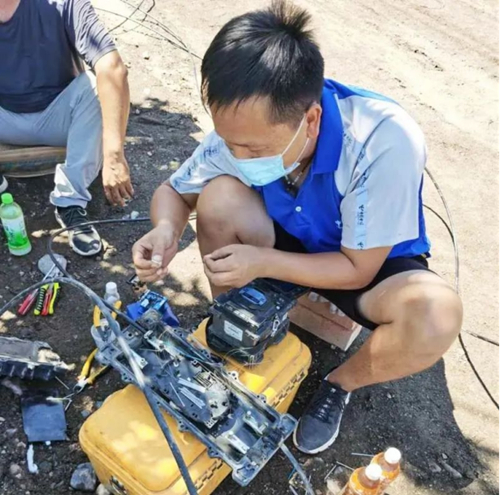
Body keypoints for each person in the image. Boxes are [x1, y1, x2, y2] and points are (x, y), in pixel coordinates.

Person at [132, 0, 462, 454]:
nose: (237, 155)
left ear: (310, 119)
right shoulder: (245, 128)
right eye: (229, 142)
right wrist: (167, 230)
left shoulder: (383, 140)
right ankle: (236, 332)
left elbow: (358, 269)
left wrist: (262, 262)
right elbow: (174, 191)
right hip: (286, 235)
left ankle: (338, 384)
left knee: (435, 316)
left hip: (365, 260)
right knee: (218, 197)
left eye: (252, 149)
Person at [0, 0, 133, 256]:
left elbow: (113, 68)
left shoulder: (63, 3)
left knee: (96, 85)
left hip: (59, 115)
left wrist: (114, 155)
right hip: (4, 116)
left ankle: (70, 202)